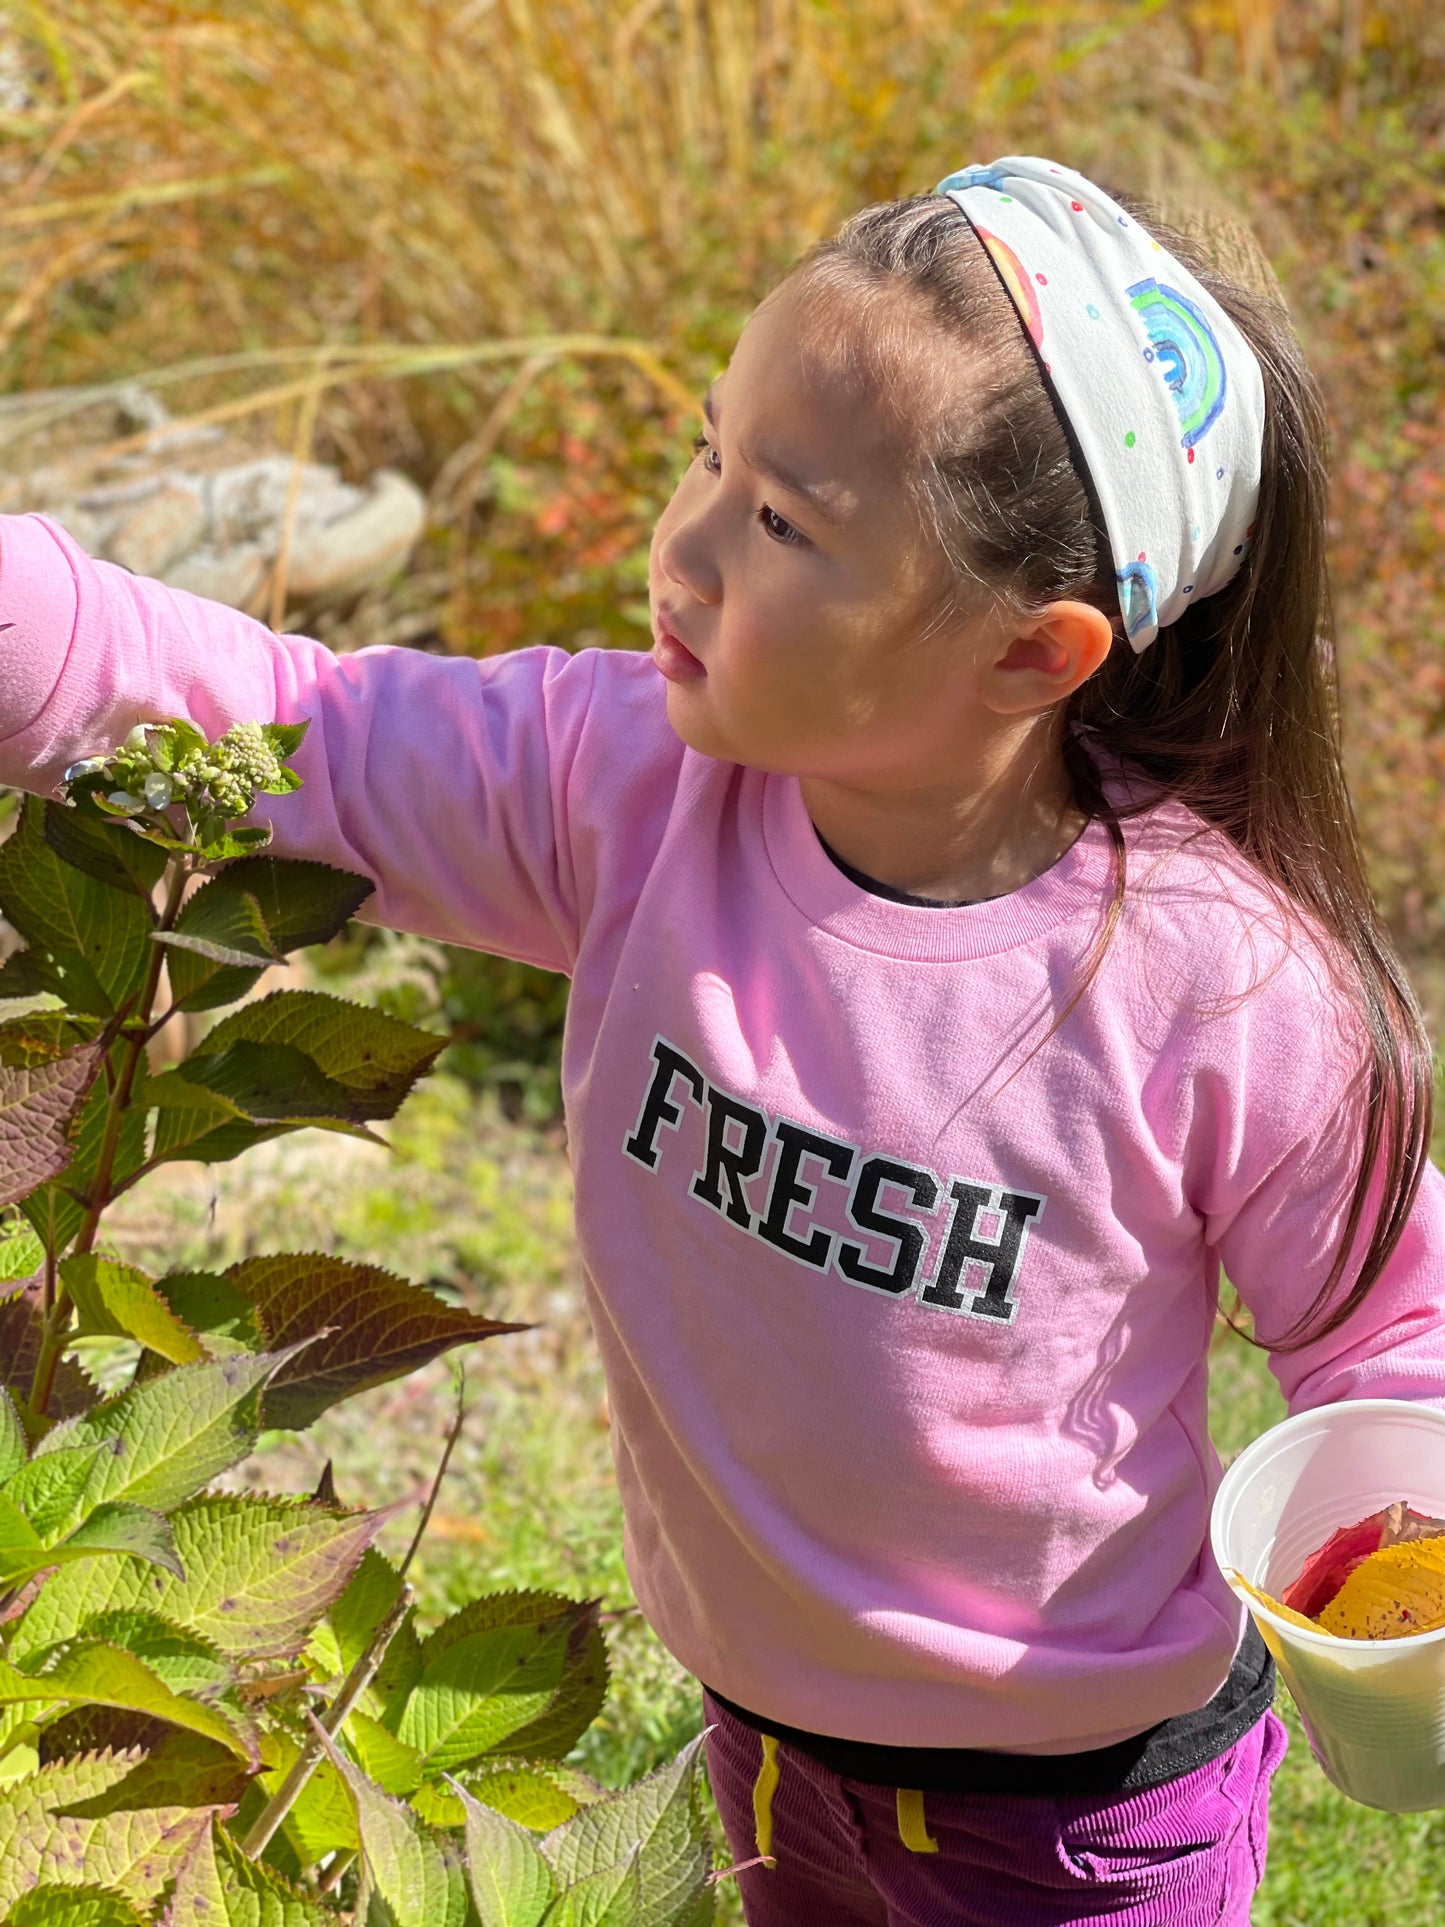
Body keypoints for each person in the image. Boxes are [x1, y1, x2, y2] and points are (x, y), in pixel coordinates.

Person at [2, 155, 1442, 1926]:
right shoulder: (626, 790)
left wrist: (1393, 1573)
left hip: (1076, 1821)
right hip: (762, 1750)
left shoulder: (1209, 980)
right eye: (708, 453)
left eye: (783, 523)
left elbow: (1392, 1327)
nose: (681, 544)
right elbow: (305, 726)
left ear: (1028, 650)